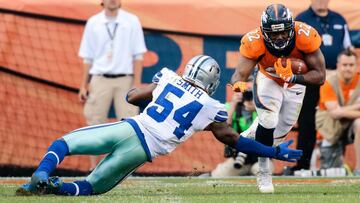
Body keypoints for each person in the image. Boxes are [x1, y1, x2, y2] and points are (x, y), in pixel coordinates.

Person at [16, 55, 302, 196]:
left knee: (65, 143)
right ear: (211, 84)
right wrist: (273, 152)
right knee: (91, 188)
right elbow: (235, 140)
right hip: (142, 151)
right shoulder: (210, 107)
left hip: (129, 128)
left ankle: (40, 175)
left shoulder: (168, 78)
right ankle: (52, 189)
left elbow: (131, 96)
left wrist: (155, 86)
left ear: (189, 68)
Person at [231, 4, 326, 193]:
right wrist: (239, 83)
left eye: (283, 32)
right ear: (264, 32)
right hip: (269, 79)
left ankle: (247, 137)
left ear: (291, 28)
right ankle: (264, 173)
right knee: (268, 120)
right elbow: (239, 74)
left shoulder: (305, 35)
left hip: (296, 83)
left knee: (278, 135)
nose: (280, 37)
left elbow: (320, 76)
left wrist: (293, 77)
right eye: (274, 34)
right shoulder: (254, 41)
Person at [78, 0, 147, 170]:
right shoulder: (93, 22)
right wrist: (83, 85)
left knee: (130, 126)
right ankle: (94, 169)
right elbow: (88, 58)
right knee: (94, 124)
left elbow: (138, 56)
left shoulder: (132, 21)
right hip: (99, 78)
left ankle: (124, 169)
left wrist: (136, 85)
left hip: (126, 80)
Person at [289, 0, 353, 174]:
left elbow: (348, 49)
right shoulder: (302, 19)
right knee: (307, 121)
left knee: (337, 119)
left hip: (335, 78)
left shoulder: (339, 19)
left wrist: (339, 71)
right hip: (311, 77)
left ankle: (335, 164)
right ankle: (302, 165)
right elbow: (294, 51)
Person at [316, 49, 360, 175]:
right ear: (338, 65)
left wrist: (341, 110)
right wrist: (357, 107)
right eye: (344, 65)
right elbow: (334, 114)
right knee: (330, 172)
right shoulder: (329, 82)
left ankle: (358, 169)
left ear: (356, 66)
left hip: (352, 125)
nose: (348, 68)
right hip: (330, 128)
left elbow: (338, 111)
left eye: (351, 65)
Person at [211, 80, 261, 177]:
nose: (248, 96)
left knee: (262, 173)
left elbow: (270, 123)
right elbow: (223, 125)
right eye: (245, 92)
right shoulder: (230, 107)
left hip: (259, 158)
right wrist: (234, 103)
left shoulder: (261, 107)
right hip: (238, 159)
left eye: (251, 93)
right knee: (218, 175)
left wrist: (257, 107)